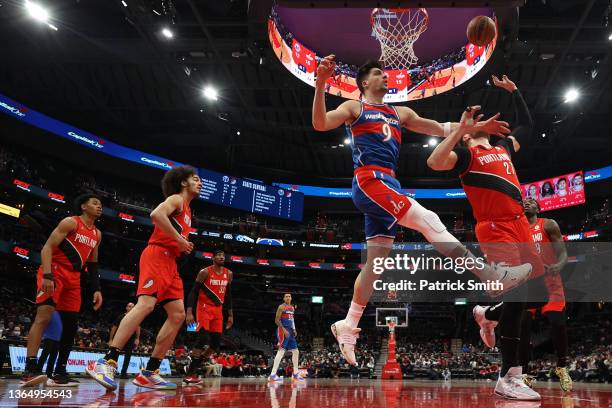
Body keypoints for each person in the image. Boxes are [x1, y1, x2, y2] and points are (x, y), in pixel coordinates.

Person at [312, 57, 531, 367]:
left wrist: (480, 127)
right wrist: (321, 82)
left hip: (388, 182)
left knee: (376, 263)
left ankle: (348, 325)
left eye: (385, 74)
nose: (384, 78)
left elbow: (443, 128)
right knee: (429, 220)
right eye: (378, 74)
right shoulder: (354, 108)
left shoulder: (400, 113)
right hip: (369, 179)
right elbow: (320, 123)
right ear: (364, 83)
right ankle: (490, 274)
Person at [427, 74, 544, 400]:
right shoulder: (464, 156)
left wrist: (515, 90)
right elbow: (434, 161)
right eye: (470, 123)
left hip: (520, 223)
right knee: (519, 298)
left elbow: (527, 126)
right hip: (495, 227)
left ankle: (486, 314)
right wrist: (460, 130)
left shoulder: (503, 147)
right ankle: (510, 376)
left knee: (535, 296)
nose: (479, 122)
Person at [87, 166, 201, 390]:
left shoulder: (188, 210)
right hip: (157, 255)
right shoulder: (176, 199)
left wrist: (180, 244)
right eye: (195, 179)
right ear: (183, 183)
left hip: (171, 264)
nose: (200, 183)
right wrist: (179, 239)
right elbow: (156, 215)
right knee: (146, 304)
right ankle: (106, 361)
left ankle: (150, 372)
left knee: (177, 315)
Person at [21, 194, 103, 387]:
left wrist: (97, 289)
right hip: (55, 271)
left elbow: (93, 264)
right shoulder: (70, 222)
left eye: (101, 205)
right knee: (44, 316)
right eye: (95, 203)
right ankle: (30, 369)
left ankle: (60, 372)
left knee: (70, 325)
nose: (99, 207)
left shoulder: (97, 234)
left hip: (74, 278)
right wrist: (48, 275)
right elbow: (47, 248)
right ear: (83, 206)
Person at [521, 199, 571, 392]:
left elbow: (563, 253)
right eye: (524, 201)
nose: (527, 203)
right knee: (523, 327)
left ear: (538, 208)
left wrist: (559, 265)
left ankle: (562, 366)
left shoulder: (548, 224)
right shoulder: (516, 229)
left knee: (557, 323)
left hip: (550, 281)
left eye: (531, 201)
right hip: (528, 283)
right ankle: (524, 372)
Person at [182, 250, 234, 385]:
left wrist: (230, 315)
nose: (221, 257)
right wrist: (189, 312)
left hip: (218, 310)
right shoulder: (204, 272)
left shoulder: (228, 274)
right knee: (203, 338)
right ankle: (190, 374)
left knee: (216, 344)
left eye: (223, 255)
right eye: (218, 255)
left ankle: (194, 365)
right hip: (203, 307)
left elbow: (228, 296)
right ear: (213, 258)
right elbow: (193, 292)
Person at [268, 294, 304, 383]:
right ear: (284, 298)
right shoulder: (281, 307)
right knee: (281, 351)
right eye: (286, 296)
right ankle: (272, 375)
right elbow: (276, 320)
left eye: (289, 296)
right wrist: (284, 329)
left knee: (296, 351)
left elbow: (292, 320)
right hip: (282, 330)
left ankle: (295, 374)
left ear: (291, 298)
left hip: (290, 331)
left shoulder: (292, 308)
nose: (288, 297)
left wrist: (294, 329)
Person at [109, 303, 141, 379]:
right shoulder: (121, 317)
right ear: (126, 307)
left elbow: (138, 327)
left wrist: (137, 338)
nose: (131, 308)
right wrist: (111, 339)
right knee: (115, 355)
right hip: (120, 338)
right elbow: (114, 328)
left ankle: (123, 373)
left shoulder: (136, 317)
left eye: (133, 307)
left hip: (130, 340)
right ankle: (111, 372)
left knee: (128, 357)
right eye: (129, 306)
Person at [37, 311, 62, 382]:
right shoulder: (50, 311)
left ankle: (49, 373)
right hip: (49, 337)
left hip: (57, 338)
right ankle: (38, 371)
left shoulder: (60, 314)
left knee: (53, 357)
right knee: (45, 354)